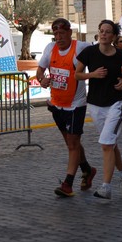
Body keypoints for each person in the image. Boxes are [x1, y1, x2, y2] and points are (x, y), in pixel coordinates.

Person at [36, 18, 95, 198]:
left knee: (72, 144)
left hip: (76, 105)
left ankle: (67, 184)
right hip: (56, 104)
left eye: (62, 33)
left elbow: (101, 52)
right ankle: (87, 169)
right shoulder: (50, 49)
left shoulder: (81, 48)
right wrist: (42, 80)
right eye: (55, 34)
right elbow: (40, 71)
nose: (59, 37)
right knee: (71, 142)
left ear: (70, 32)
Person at [75, 19, 122, 200]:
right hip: (94, 103)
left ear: (114, 36)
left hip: (115, 103)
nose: (103, 34)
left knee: (106, 144)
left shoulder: (121, 54)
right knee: (110, 143)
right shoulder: (89, 52)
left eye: (108, 32)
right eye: (101, 31)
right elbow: (77, 74)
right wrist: (92, 74)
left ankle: (106, 187)